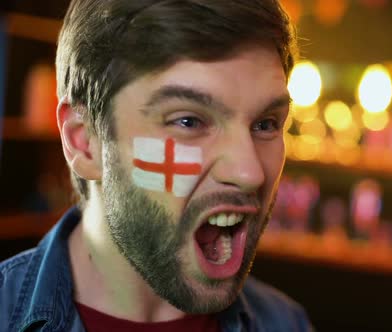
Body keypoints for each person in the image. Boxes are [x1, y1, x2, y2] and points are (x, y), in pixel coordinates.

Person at [0, 1, 313, 331]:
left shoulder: (285, 322)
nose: (250, 173)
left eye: (265, 124)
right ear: (85, 142)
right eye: (189, 121)